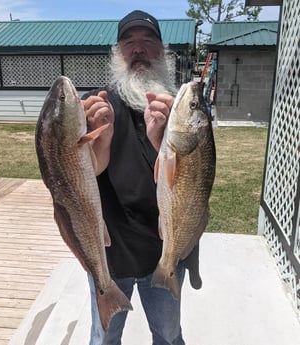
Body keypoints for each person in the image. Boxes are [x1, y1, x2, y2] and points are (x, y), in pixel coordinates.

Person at [82, 10, 201, 345]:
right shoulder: (95, 107)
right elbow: (78, 180)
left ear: (162, 52)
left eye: (148, 41)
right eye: (129, 42)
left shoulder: (183, 111)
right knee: (104, 338)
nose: (138, 49)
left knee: (167, 334)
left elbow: (195, 183)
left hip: (163, 254)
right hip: (109, 256)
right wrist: (96, 144)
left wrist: (161, 141)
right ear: (117, 54)